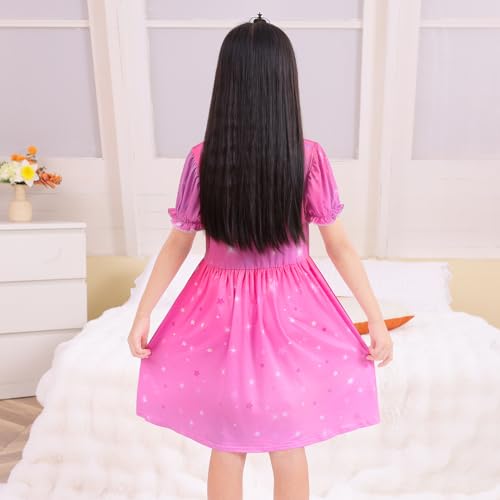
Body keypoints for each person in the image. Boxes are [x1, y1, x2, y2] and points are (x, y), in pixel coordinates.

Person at [128, 13, 393, 500]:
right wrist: (373, 319)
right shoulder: (307, 157)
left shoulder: (203, 158)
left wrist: (145, 313)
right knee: (288, 443)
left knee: (226, 444)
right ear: (284, 83)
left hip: (217, 308)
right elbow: (339, 246)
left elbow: (178, 242)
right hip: (291, 308)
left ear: (225, 84)